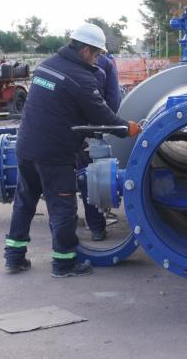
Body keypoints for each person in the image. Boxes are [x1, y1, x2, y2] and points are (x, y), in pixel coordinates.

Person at [3, 22, 142, 278]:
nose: (97, 60)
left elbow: (57, 105)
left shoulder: (46, 65)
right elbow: (102, 115)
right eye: (97, 54)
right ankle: (64, 263)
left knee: (25, 201)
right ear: (85, 50)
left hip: (26, 146)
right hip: (54, 154)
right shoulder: (81, 78)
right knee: (63, 208)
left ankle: (14, 257)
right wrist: (128, 128)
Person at [77, 51, 121, 241]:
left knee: (68, 179)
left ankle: (68, 222)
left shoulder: (65, 63)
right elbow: (113, 100)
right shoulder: (106, 64)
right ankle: (96, 228)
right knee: (91, 176)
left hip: (69, 130)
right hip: (93, 130)